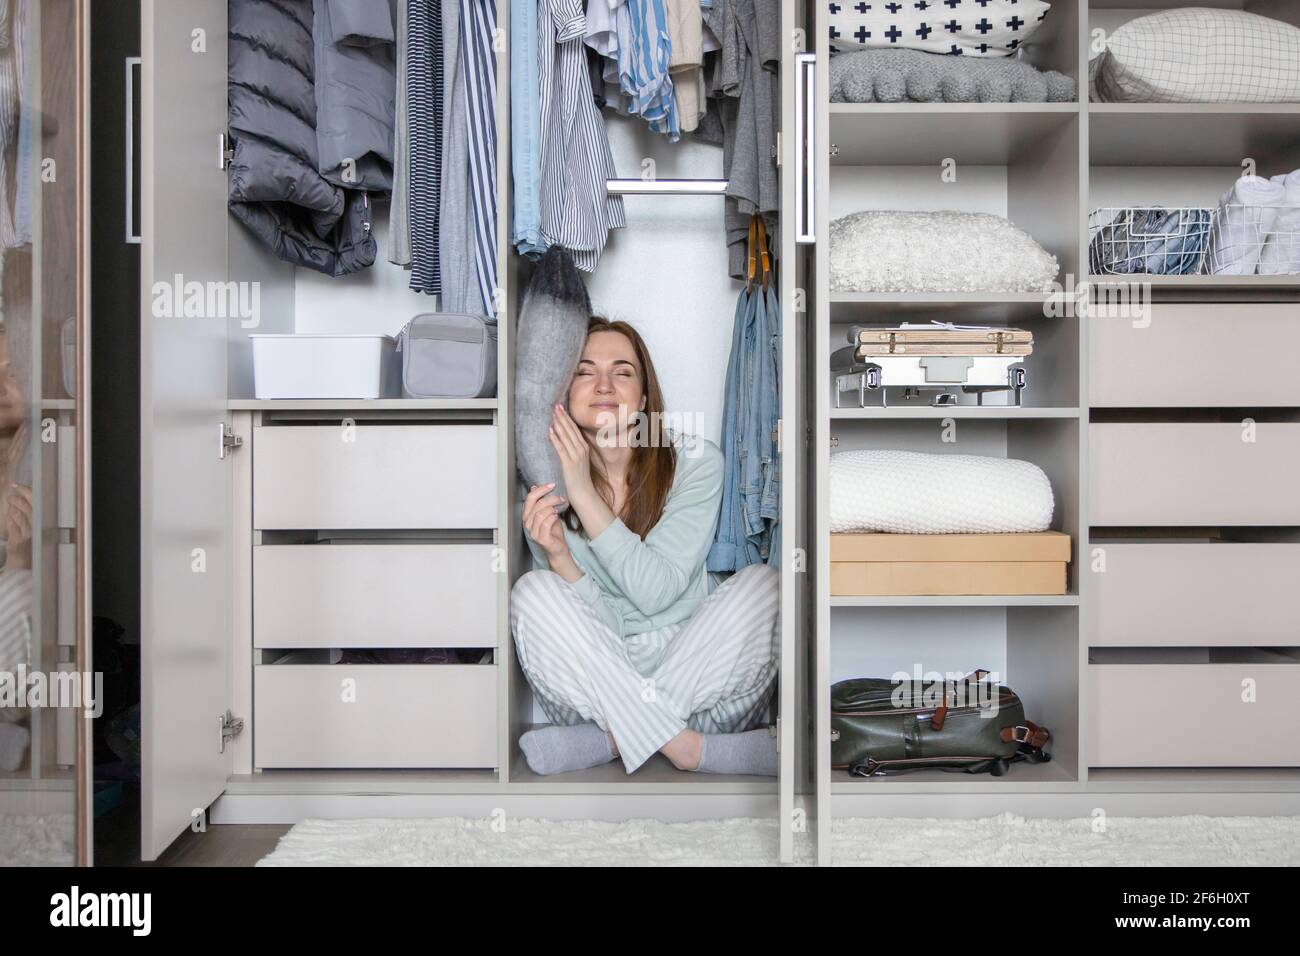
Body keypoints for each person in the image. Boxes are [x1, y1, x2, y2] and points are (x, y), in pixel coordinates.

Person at [511, 316, 780, 776]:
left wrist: (584, 495)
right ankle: (685, 747)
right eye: (583, 370)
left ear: (643, 396)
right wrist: (559, 558)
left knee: (766, 585)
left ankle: (617, 741)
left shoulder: (696, 462)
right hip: (599, 691)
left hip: (702, 685)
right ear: (563, 392)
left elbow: (656, 591)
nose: (603, 384)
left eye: (622, 371)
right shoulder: (546, 482)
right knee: (531, 592)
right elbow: (598, 627)